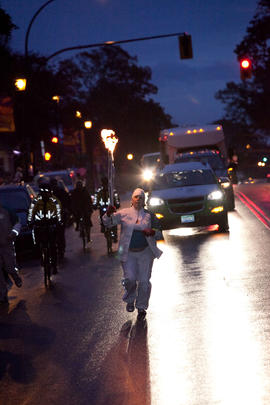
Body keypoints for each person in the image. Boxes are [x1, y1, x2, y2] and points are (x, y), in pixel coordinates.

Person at [102, 188, 163, 320]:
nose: (138, 200)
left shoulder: (150, 215)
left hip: (145, 252)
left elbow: (159, 231)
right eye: (136, 197)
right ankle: (130, 299)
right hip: (127, 252)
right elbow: (107, 223)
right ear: (132, 199)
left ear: (144, 200)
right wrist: (108, 214)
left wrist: (152, 232)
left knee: (144, 282)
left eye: (141, 197)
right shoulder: (123, 213)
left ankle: (141, 306)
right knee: (129, 279)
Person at [28, 178, 62, 274]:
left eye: (46, 192)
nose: (44, 194)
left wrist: (59, 221)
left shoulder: (54, 200)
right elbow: (31, 211)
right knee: (38, 242)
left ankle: (54, 265)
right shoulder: (36, 201)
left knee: (53, 245)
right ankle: (41, 257)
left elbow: (58, 211)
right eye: (42, 192)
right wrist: (30, 221)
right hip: (40, 225)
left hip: (51, 224)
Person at [0, 201, 22, 305]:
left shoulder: (6, 211)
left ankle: (15, 276)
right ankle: (3, 295)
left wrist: (13, 233)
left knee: (9, 267)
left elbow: (17, 223)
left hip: (6, 244)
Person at [93, 177, 120, 242]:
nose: (104, 185)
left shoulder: (112, 191)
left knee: (114, 221)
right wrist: (95, 205)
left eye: (105, 183)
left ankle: (115, 235)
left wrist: (117, 204)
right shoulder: (99, 192)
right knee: (102, 220)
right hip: (102, 209)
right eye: (103, 183)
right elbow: (96, 200)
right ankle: (104, 229)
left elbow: (116, 199)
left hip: (111, 209)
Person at [50, 178, 71, 259]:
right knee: (57, 233)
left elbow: (68, 201)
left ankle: (61, 249)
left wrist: (66, 210)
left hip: (60, 215)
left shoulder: (60, 192)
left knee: (60, 233)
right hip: (52, 216)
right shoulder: (49, 194)